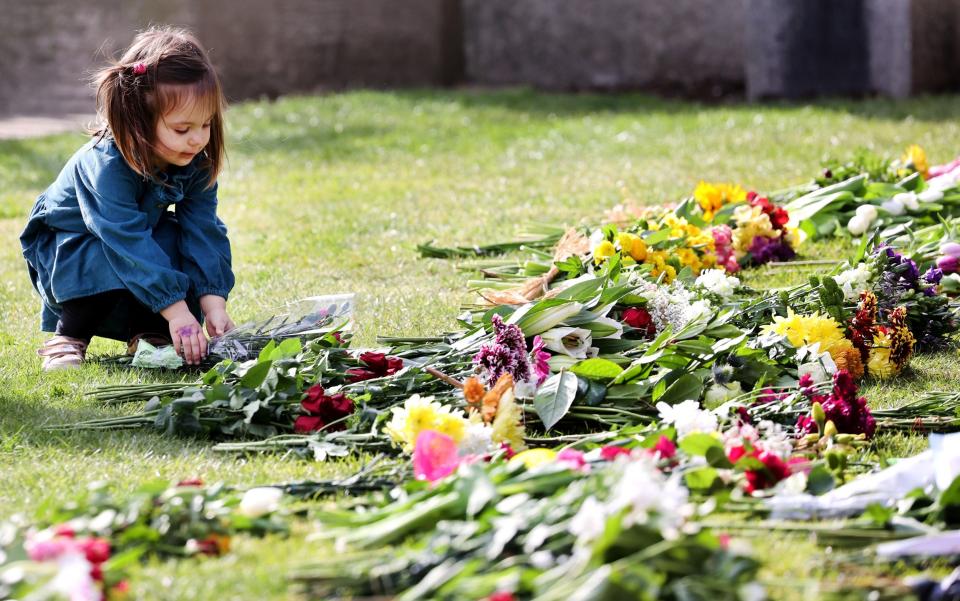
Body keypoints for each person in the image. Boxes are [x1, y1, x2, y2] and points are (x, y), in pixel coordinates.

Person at [20, 26, 236, 371]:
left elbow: (203, 232)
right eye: (182, 129)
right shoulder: (106, 164)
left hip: (134, 244)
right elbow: (124, 238)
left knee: (171, 238)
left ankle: (150, 333)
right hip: (73, 247)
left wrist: (214, 305)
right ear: (138, 121)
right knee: (112, 252)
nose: (197, 139)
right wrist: (179, 312)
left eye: (206, 124)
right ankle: (69, 336)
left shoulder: (196, 162)